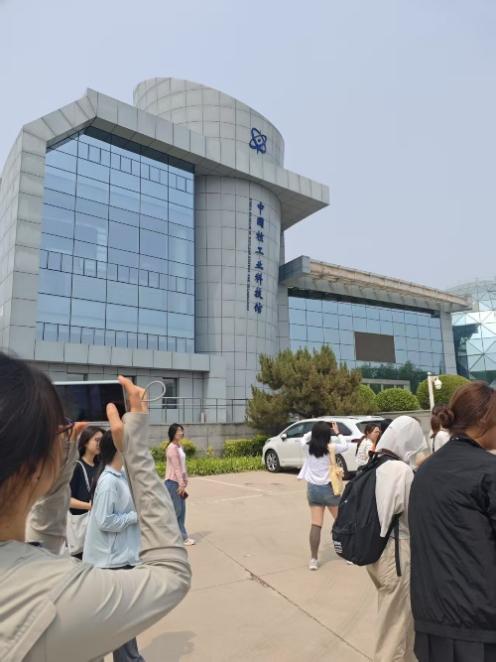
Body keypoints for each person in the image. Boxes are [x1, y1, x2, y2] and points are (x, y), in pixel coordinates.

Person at [0, 352, 191, 662]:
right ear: (31, 466)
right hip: (111, 561)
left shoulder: (23, 569)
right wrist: (135, 447)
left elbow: (38, 550)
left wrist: (60, 469)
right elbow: (172, 575)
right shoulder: (58, 596)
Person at [410, 382, 496, 662]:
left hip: (431, 623)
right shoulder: (487, 471)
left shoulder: (426, 470)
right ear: (485, 419)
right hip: (479, 628)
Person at [366, 415, 424, 662]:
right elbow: (413, 515)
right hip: (397, 550)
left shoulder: (375, 464)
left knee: (396, 616)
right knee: (395, 626)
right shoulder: (402, 471)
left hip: (375, 550)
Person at [83, 430, 143, 661]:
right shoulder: (109, 482)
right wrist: (133, 516)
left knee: (123, 621)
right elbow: (104, 520)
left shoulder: (119, 475)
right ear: (118, 448)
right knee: (123, 622)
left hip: (120, 558)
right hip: (112, 562)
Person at [298, 421, 351, 571]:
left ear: (314, 434)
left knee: (316, 524)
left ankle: (313, 560)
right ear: (327, 435)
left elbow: (303, 438)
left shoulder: (307, 448)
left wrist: (313, 433)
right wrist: (337, 432)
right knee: (341, 522)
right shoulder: (331, 448)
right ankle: (348, 554)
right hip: (329, 489)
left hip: (313, 490)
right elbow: (345, 445)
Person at [67, 425, 103, 559]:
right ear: (86, 442)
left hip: (97, 526)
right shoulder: (76, 466)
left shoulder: (100, 466)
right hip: (81, 525)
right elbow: (67, 500)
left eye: (102, 440)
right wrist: (91, 506)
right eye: (97, 440)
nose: (100, 444)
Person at [165, 423, 195, 546]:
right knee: (177, 511)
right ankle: (181, 537)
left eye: (181, 431)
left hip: (178, 482)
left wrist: (185, 479)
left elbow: (182, 466)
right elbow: (176, 468)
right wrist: (181, 484)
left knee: (181, 511)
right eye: (178, 431)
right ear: (172, 433)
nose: (181, 433)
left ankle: (178, 536)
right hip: (173, 483)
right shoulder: (171, 448)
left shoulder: (179, 446)